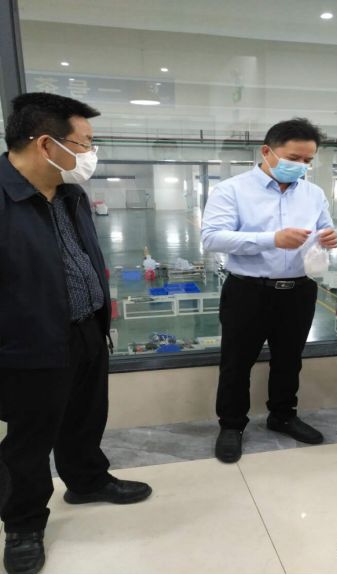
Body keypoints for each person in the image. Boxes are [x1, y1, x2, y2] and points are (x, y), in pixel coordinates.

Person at [0, 92, 152, 574]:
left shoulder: (70, 194)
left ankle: (87, 480)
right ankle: (23, 524)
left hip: (86, 329)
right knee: (29, 441)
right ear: (47, 145)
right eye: (84, 143)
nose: (90, 153)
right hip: (28, 345)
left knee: (85, 418)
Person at [201, 118, 337, 463]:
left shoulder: (313, 193)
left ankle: (283, 415)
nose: (301, 166)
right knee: (237, 363)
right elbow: (212, 238)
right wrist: (271, 239)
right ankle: (232, 425)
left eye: (308, 161)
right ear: (267, 151)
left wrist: (331, 237)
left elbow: (325, 229)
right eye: (294, 158)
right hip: (248, 291)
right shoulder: (231, 190)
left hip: (299, 291)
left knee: (289, 360)